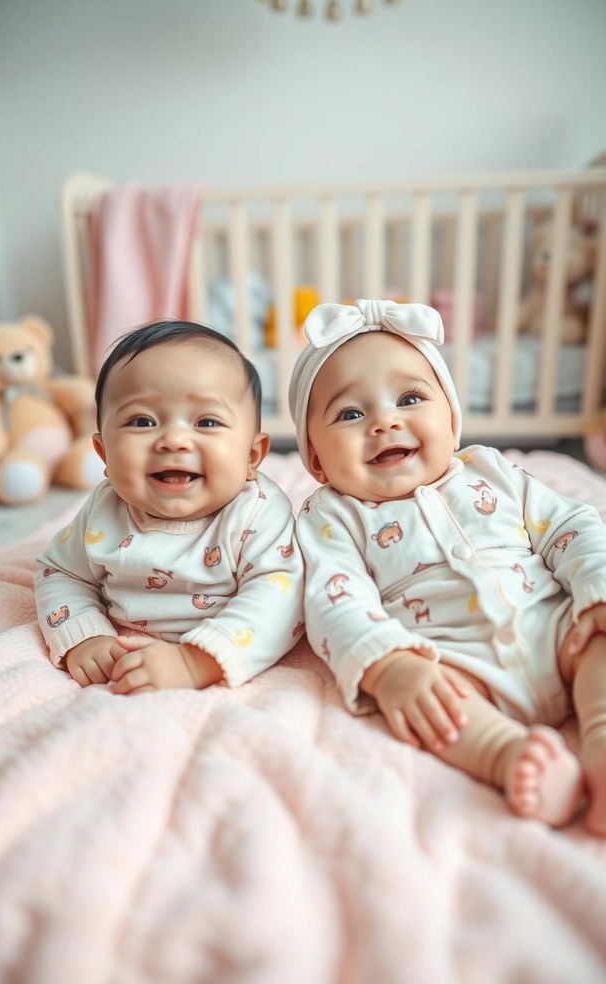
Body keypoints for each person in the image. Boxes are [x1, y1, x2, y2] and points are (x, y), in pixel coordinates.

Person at [289, 298, 606, 833]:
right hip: (454, 659)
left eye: (410, 398)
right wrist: (390, 666)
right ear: (316, 459)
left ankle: (600, 741)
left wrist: (596, 591)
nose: (385, 421)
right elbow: (333, 597)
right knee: (429, 702)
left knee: (600, 637)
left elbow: (572, 526)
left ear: (452, 421)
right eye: (350, 413)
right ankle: (508, 756)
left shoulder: (493, 471)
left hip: (555, 631)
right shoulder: (329, 516)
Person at [36, 320, 304, 696]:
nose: (174, 440)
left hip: (220, 647)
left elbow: (282, 595)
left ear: (252, 456)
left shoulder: (257, 513)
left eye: (206, 421)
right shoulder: (105, 509)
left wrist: (197, 661)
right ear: (104, 454)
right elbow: (60, 573)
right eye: (142, 421)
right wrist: (83, 635)